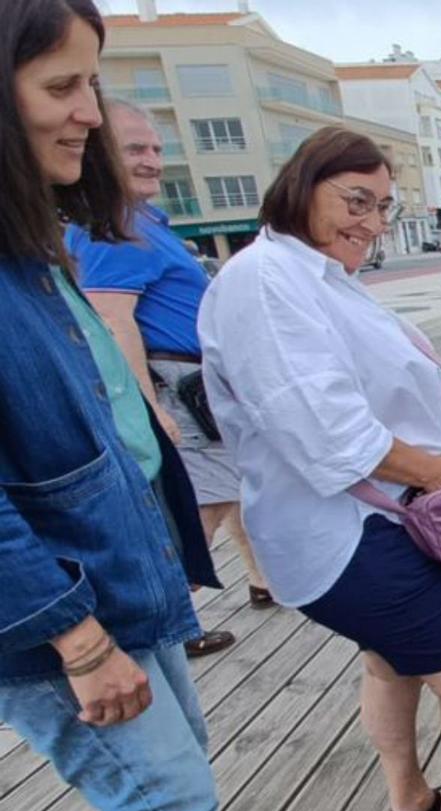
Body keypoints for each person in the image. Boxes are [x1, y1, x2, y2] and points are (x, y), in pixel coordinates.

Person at [199, 127, 441, 811]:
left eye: (383, 207)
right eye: (357, 201)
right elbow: (334, 435)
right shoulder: (265, 282)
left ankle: (409, 802)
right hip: (340, 531)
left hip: (382, 519)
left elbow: (395, 377)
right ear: (301, 185)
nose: (373, 223)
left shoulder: (317, 274)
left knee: (393, 663)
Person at [0, 0, 219, 811]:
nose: (89, 113)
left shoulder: (32, 243)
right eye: (61, 86)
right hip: (62, 601)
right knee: (166, 802)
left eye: (91, 82)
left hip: (113, 567)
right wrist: (78, 642)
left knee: (181, 769)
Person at [66, 97, 272, 628]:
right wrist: (150, 407)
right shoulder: (114, 227)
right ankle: (173, 618)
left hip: (191, 381)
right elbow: (113, 321)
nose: (152, 160)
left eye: (157, 148)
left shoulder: (139, 221)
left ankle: (263, 582)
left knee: (227, 485)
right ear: (99, 153)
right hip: (173, 385)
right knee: (201, 501)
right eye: (135, 149)